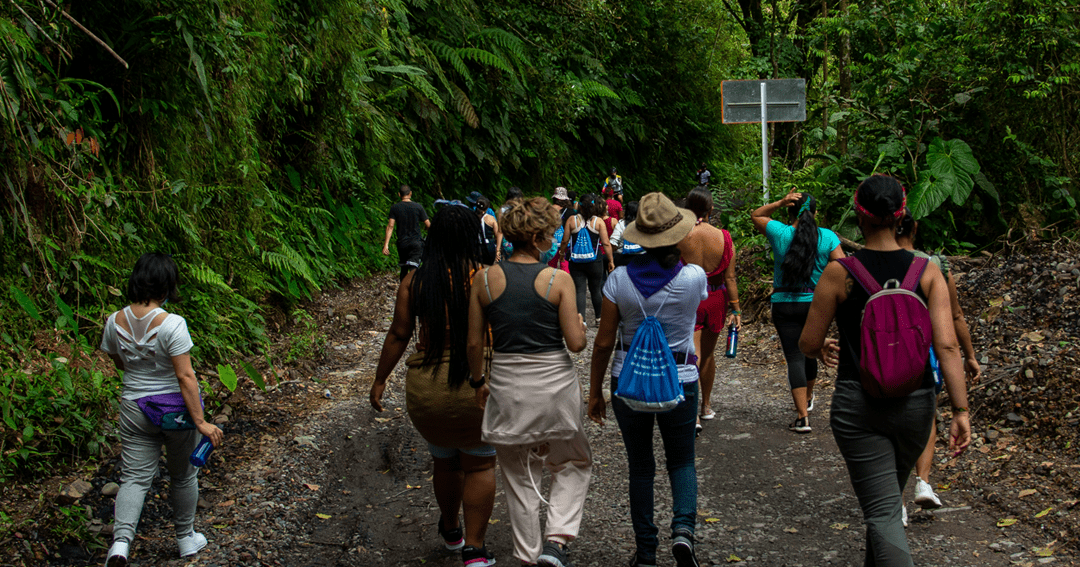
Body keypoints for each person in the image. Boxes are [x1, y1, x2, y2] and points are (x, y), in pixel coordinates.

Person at [799, 174, 971, 566]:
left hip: (857, 407)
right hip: (915, 406)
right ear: (901, 215)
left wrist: (823, 344)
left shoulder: (839, 273)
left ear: (859, 216)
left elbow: (808, 344)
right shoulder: (928, 271)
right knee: (887, 503)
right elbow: (946, 345)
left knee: (882, 511)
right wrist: (960, 411)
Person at [370, 205, 498, 567]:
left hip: (427, 390)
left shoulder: (414, 281)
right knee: (479, 465)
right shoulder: (487, 278)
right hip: (477, 386)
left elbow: (398, 333)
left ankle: (451, 529)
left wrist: (380, 380)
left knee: (445, 461)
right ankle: (475, 548)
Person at [468, 197, 592, 567]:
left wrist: (478, 382)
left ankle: (527, 557)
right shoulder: (558, 280)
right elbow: (576, 344)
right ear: (537, 237)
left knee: (518, 476)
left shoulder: (484, 279)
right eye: (551, 235)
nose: (554, 240)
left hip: (506, 386)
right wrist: (582, 329)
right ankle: (556, 541)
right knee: (572, 462)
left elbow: (474, 342)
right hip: (554, 387)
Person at [588, 192, 708, 567]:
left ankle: (645, 551)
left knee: (640, 465)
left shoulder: (619, 279)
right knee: (682, 461)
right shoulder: (693, 277)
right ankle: (683, 532)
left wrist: (595, 391)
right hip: (682, 377)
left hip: (628, 380)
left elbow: (604, 341)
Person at [100, 253, 224, 566]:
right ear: (167, 286)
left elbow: (118, 361)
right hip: (174, 412)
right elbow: (185, 376)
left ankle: (120, 545)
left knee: (134, 479)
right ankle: (185, 539)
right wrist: (201, 421)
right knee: (183, 476)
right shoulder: (173, 325)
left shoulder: (114, 321)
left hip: (134, 407)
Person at [895, 208, 981, 511]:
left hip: (886, 353)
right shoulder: (933, 266)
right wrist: (969, 356)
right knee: (926, 416)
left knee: (890, 419)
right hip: (925, 353)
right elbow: (955, 316)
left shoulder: (872, 265)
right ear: (914, 229)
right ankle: (923, 482)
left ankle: (894, 498)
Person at [752, 190, 843, 433]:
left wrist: (780, 202)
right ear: (815, 213)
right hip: (815, 304)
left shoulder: (780, 233)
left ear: (789, 212)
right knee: (810, 350)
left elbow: (757, 214)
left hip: (784, 303)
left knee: (794, 356)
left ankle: (802, 417)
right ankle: (809, 397)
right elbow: (844, 268)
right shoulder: (827, 237)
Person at [681, 186, 740, 431]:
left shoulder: (682, 235)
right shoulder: (724, 237)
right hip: (717, 298)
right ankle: (705, 406)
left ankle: (692, 414)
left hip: (690, 297)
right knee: (708, 354)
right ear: (711, 208)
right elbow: (730, 277)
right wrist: (736, 309)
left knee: (691, 356)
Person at [558, 193, 615, 325]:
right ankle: (599, 318)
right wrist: (611, 260)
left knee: (579, 290)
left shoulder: (572, 220)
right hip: (595, 261)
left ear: (580, 206)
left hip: (576, 262)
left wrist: (562, 254)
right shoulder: (599, 222)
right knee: (595, 289)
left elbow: (565, 240)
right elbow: (606, 243)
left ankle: (581, 320)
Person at [383, 185, 431, 280]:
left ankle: (403, 291)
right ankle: (414, 290)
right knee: (414, 268)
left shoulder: (395, 208)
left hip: (402, 244)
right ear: (410, 194)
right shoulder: (418, 207)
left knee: (404, 269)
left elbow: (390, 226)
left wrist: (386, 245)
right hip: (416, 243)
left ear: (399, 194)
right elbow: (429, 225)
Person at [467, 193, 503, 265]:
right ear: (486, 208)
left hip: (476, 247)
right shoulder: (491, 219)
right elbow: (498, 234)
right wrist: (498, 250)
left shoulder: (470, 218)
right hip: (489, 246)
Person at [610, 201, 644, 267]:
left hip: (623, 258)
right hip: (641, 258)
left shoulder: (621, 224)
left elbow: (613, 242)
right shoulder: (643, 224)